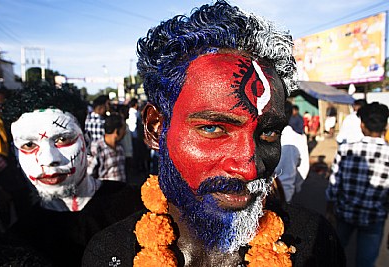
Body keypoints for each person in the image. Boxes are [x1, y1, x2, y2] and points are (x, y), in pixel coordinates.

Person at [83, 1, 345, 266]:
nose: (250, 169)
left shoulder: (314, 242)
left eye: (268, 133)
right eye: (212, 128)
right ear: (155, 128)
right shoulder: (110, 254)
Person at [0, 84, 144, 267]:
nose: (48, 159)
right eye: (29, 145)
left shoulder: (135, 206)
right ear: (16, 154)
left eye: (62, 139)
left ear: (87, 140)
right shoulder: (18, 242)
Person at [326, 102, 389, 267]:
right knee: (366, 262)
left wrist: (329, 209)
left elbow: (334, 184)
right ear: (385, 126)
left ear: (362, 125)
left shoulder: (346, 150)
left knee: (335, 253)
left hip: (345, 213)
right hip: (374, 218)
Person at [275, 101, 310, 202]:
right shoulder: (299, 139)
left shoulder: (264, 137)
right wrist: (297, 186)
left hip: (271, 193)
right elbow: (304, 169)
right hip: (288, 193)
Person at [87, 113, 127, 183]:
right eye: (124, 129)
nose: (125, 132)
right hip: (105, 192)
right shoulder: (97, 148)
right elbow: (89, 176)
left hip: (121, 191)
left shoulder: (120, 148)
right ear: (116, 131)